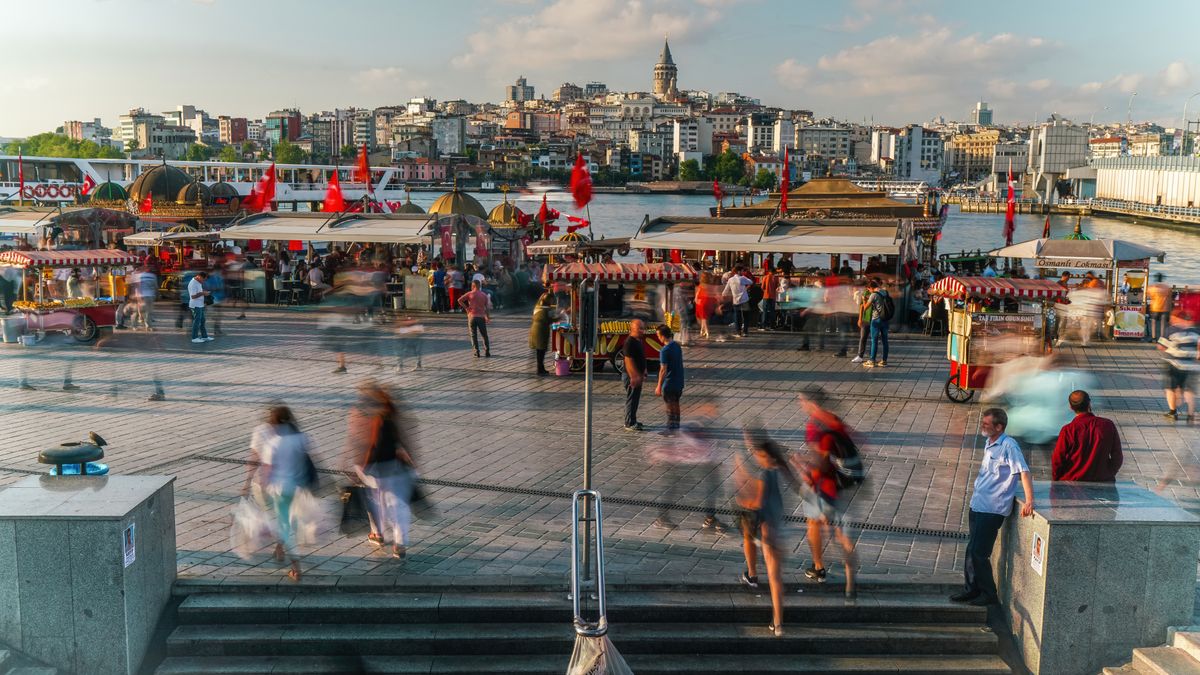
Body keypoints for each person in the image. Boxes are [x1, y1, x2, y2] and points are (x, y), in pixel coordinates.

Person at [951, 408, 1034, 607]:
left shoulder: (1009, 446)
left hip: (992, 509)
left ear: (999, 427)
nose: (983, 426)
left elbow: (1023, 471)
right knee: (971, 549)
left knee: (980, 552)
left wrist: (1029, 500)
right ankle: (971, 589)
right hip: (978, 504)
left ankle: (989, 594)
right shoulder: (990, 443)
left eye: (987, 424)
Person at [795, 388, 858, 599]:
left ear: (812, 403)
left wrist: (802, 465)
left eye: (802, 401)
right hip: (843, 484)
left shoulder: (815, 425)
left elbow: (820, 461)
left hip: (824, 485)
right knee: (842, 534)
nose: (800, 405)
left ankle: (818, 568)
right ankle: (850, 585)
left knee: (813, 524)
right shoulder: (834, 419)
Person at [736, 429, 794, 637]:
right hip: (777, 527)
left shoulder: (762, 470)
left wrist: (741, 500)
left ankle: (752, 574)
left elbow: (757, 502)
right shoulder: (776, 466)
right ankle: (778, 624)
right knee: (776, 577)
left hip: (764, 527)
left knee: (748, 537)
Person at [356, 385, 418, 560]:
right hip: (396, 468)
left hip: (380, 469)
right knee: (396, 506)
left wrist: (364, 465)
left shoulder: (379, 419)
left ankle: (379, 533)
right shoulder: (394, 416)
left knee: (378, 502)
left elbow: (373, 445)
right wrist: (411, 461)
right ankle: (399, 543)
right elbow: (402, 442)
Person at [260, 406, 316, 582]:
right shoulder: (301, 438)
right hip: (300, 488)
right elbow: (312, 459)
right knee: (289, 523)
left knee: (286, 526)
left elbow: (267, 472)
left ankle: (296, 568)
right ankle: (279, 548)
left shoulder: (273, 443)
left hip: (281, 490)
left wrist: (264, 487)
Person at [1051, 390, 1123, 481]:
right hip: (1103, 480)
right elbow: (1117, 456)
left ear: (1071, 407)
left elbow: (1057, 459)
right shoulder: (1108, 425)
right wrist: (1109, 473)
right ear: (1089, 404)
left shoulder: (1068, 430)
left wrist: (1057, 479)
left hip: (1072, 482)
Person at [1159, 326, 1199, 422]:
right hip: (1190, 366)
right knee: (1188, 391)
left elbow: (1161, 346)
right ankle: (1190, 415)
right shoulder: (1197, 331)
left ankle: (1173, 413)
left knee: (1170, 388)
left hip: (1173, 364)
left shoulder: (1171, 330)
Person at [654, 324, 684, 432]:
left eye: (658, 335)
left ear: (662, 336)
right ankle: (677, 424)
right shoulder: (677, 346)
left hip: (669, 383)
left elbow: (663, 370)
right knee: (676, 403)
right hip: (679, 381)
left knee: (670, 405)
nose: (658, 338)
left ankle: (671, 426)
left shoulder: (664, 350)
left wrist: (658, 386)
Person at [621, 319, 648, 431]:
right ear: (632, 329)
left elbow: (641, 357)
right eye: (640, 328)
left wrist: (644, 370)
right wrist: (634, 375)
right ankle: (629, 423)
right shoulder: (630, 342)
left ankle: (633, 419)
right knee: (632, 398)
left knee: (635, 398)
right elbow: (628, 360)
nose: (642, 331)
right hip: (631, 376)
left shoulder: (638, 341)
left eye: (643, 328)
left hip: (638, 375)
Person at [458, 280, 492, 358]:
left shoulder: (470, 294)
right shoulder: (484, 295)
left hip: (472, 317)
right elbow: (487, 308)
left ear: (473, 286)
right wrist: (488, 317)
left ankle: (477, 352)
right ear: (479, 286)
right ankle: (487, 351)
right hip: (481, 317)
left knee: (473, 335)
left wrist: (466, 308)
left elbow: (459, 300)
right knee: (484, 335)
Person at [863, 279, 890, 368]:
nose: (869, 291)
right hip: (885, 319)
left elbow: (866, 307)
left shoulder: (873, 295)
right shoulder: (884, 292)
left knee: (874, 340)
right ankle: (884, 361)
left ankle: (872, 360)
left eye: (868, 289)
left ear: (871, 288)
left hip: (876, 319)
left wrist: (864, 300)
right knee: (885, 340)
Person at [529, 289, 555, 375]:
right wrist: (561, 316)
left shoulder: (537, 307)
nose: (552, 301)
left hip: (534, 329)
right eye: (551, 300)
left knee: (539, 350)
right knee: (541, 350)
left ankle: (540, 367)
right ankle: (540, 369)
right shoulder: (548, 309)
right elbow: (551, 320)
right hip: (541, 330)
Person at [723, 267, 753, 338]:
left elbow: (726, 290)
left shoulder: (730, 280)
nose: (743, 272)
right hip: (744, 299)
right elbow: (751, 282)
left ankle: (738, 332)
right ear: (739, 271)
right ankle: (745, 332)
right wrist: (745, 278)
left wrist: (723, 295)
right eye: (742, 271)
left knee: (737, 316)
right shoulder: (742, 278)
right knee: (745, 316)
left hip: (736, 300)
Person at [187, 271, 212, 344]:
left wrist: (204, 292)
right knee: (197, 322)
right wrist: (203, 293)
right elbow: (193, 296)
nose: (203, 281)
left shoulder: (198, 282)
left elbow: (198, 292)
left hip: (200, 305)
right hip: (195, 305)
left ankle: (204, 336)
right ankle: (194, 337)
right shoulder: (193, 283)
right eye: (203, 279)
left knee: (202, 321)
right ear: (199, 276)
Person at [1147, 274, 1172, 342]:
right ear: (1162, 279)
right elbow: (1169, 298)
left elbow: (1148, 295)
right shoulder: (1167, 287)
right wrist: (1170, 309)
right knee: (1163, 323)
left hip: (1155, 307)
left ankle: (1154, 338)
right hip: (1165, 307)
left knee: (1153, 322)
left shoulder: (1152, 287)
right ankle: (1162, 338)